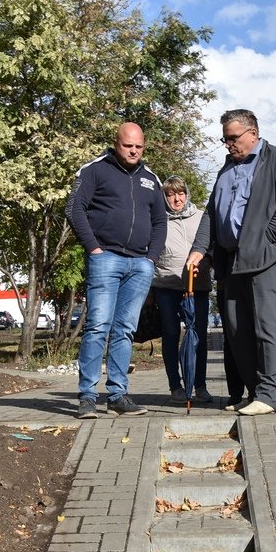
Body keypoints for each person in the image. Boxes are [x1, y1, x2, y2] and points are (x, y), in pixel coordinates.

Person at [187, 109, 276, 416]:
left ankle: (269, 395)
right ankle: (255, 393)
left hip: (267, 260)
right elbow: (212, 213)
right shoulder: (226, 169)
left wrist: (267, 235)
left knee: (268, 329)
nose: (228, 144)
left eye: (232, 138)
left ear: (253, 133)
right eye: (224, 138)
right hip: (233, 263)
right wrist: (200, 249)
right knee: (238, 333)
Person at [67, 122, 166, 419]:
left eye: (139, 146)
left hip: (140, 264)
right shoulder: (94, 170)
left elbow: (160, 221)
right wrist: (94, 248)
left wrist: (151, 258)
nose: (134, 150)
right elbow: (74, 209)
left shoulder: (151, 179)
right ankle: (87, 396)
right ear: (116, 143)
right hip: (105, 258)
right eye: (128, 145)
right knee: (98, 326)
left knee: (125, 330)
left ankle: (118, 395)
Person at [151, 176, 212, 404]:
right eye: (170, 194)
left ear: (187, 194)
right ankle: (175, 386)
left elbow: (211, 247)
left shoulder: (201, 217)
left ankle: (200, 385)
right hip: (166, 285)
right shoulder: (157, 219)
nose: (176, 198)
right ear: (164, 197)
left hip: (198, 288)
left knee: (198, 337)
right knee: (170, 335)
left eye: (180, 193)